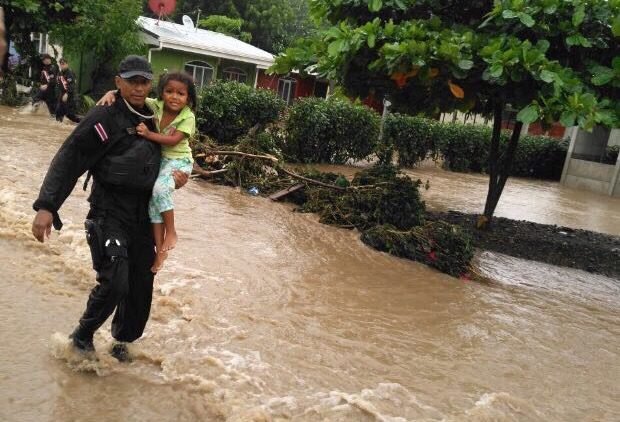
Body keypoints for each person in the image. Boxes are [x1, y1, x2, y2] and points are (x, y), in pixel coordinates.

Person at [31, 55, 189, 361]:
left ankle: (122, 344)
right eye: (131, 82)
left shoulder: (157, 116)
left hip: (145, 214)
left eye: (144, 82)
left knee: (140, 287)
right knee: (116, 281)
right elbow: (71, 157)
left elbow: (173, 157)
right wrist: (47, 206)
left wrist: (177, 180)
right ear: (118, 83)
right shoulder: (104, 116)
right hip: (109, 211)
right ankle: (82, 336)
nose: (139, 88)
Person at [97, 71, 196, 273]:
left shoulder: (188, 116)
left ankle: (172, 232)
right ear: (162, 93)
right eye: (169, 91)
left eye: (181, 94)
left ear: (188, 98)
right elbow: (132, 97)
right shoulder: (156, 106)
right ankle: (160, 250)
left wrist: (149, 134)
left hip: (180, 161)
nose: (174, 97)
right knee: (153, 206)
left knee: (160, 190)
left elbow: (173, 140)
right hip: (163, 161)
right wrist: (111, 93)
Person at [55, 58, 81, 123]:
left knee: (70, 115)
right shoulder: (60, 73)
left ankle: (81, 122)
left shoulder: (70, 73)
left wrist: (67, 93)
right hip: (62, 95)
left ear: (67, 64)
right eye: (61, 64)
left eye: (63, 64)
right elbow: (58, 84)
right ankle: (58, 125)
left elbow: (72, 85)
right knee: (58, 111)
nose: (62, 65)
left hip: (70, 96)